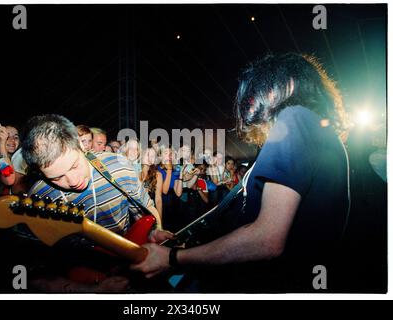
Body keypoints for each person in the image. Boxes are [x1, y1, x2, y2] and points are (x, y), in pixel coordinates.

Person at [131, 53, 350, 292]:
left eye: (256, 94)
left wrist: (171, 258)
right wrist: (181, 244)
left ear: (284, 86)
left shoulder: (293, 118)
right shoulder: (317, 131)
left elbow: (266, 240)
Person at [20, 114, 173, 292]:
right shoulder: (38, 198)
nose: (72, 180)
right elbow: (32, 275)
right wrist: (90, 292)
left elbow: (147, 210)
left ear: (80, 145)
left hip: (129, 265)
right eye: (57, 177)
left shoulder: (119, 167)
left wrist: (155, 231)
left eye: (74, 166)